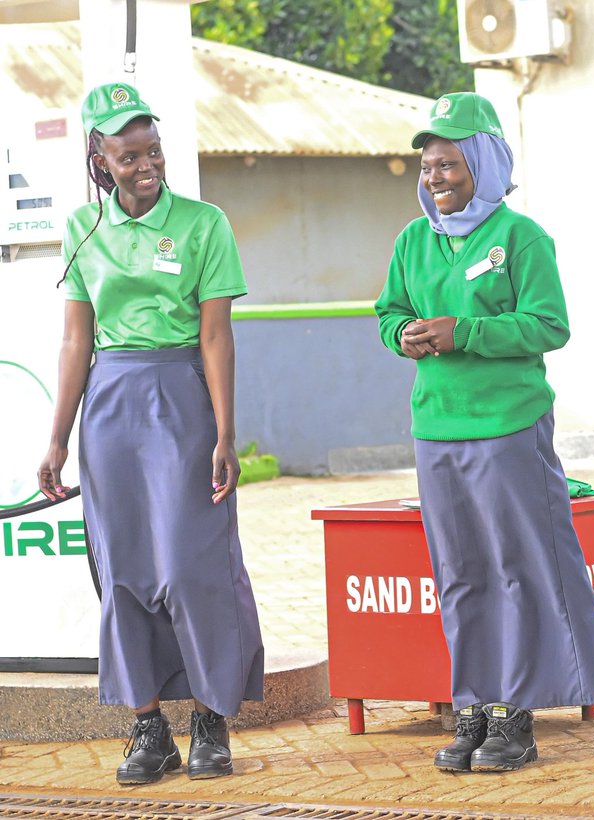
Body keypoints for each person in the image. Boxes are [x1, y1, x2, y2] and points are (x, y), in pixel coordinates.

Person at [375, 92, 594, 773]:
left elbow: (550, 325)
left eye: (449, 164)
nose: (435, 177)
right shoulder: (412, 240)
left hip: (508, 426)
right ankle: (473, 707)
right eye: (428, 166)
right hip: (437, 428)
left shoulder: (521, 237)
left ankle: (515, 714)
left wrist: (467, 332)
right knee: (459, 575)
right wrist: (402, 333)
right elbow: (387, 311)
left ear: (483, 165)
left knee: (517, 570)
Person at [38, 83, 264, 786]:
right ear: (99, 160)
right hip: (111, 408)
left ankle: (210, 720)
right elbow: (76, 341)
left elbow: (216, 335)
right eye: (128, 155)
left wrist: (225, 432)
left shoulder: (204, 223)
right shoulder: (83, 228)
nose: (146, 166)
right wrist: (57, 438)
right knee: (124, 571)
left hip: (182, 401)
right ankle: (148, 727)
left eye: (154, 151)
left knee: (193, 568)